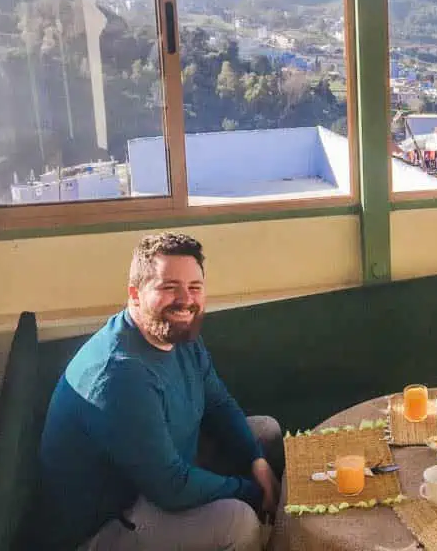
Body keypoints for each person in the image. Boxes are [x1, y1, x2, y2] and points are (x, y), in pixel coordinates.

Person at [35, 232, 283, 551]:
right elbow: (171, 486)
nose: (185, 300)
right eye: (169, 288)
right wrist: (251, 492)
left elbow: (219, 405)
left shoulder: (179, 335)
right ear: (135, 294)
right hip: (109, 522)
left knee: (265, 433)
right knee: (238, 522)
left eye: (194, 288)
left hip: (161, 473)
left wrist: (256, 461)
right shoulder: (120, 373)